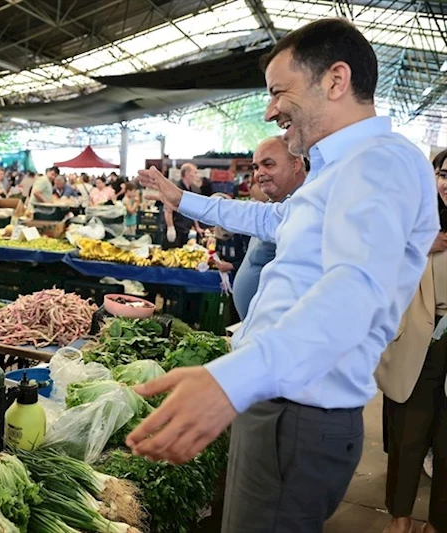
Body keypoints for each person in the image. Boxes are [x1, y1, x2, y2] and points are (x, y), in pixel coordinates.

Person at [129, 18, 439, 533]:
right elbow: (270, 219)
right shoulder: (339, 170)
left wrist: (232, 382)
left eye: (279, 92)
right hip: (282, 404)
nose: (271, 109)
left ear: (335, 81)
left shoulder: (379, 163)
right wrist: (184, 200)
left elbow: (353, 290)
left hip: (296, 414)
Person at [376, 149, 447, 533]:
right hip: (416, 341)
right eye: (445, 174)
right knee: (408, 434)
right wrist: (420, 244)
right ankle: (400, 517)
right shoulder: (411, 218)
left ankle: (438, 522)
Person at [231, 136, 307, 321]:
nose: (259, 174)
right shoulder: (273, 207)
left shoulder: (305, 211)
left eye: (268, 164)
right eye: (256, 167)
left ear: (295, 165)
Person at [163, 163, 202, 248]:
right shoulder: (175, 189)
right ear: (187, 174)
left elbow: (193, 210)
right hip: (175, 227)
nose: (196, 175)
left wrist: (197, 227)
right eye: (195, 172)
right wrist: (170, 227)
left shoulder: (195, 190)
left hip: (186, 228)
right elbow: (167, 209)